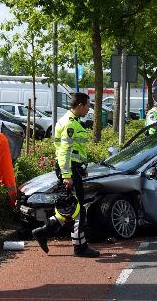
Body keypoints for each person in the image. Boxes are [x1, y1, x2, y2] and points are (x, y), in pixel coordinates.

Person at [32, 93, 100, 258]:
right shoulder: (70, 124)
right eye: (87, 106)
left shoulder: (71, 121)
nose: (88, 109)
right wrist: (67, 175)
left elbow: (73, 150)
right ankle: (80, 247)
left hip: (73, 169)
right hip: (69, 170)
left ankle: (44, 231)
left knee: (70, 207)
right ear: (80, 105)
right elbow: (64, 151)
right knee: (79, 210)